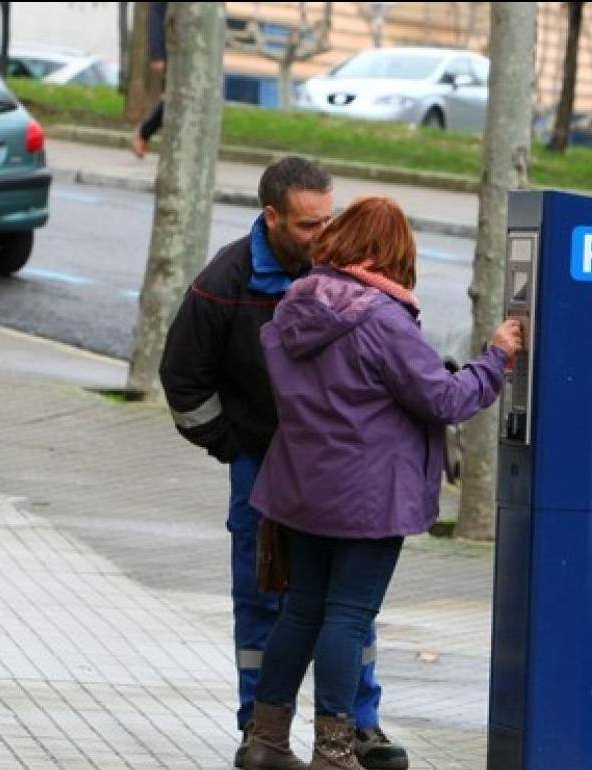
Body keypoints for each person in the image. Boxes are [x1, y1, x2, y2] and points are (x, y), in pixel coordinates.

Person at [242, 197, 524, 770]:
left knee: (301, 612)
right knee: (347, 617)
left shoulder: (294, 305)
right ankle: (335, 751)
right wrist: (494, 358)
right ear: (385, 254)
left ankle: (265, 742)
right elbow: (444, 399)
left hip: (301, 488)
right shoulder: (382, 320)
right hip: (365, 499)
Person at [158, 159, 410, 770]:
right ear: (271, 217)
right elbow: (183, 381)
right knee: (267, 599)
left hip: (335, 473)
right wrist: (236, 446)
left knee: (346, 606)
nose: (322, 236)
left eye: (329, 220)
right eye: (306, 225)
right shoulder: (227, 281)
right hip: (265, 469)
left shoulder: (340, 271)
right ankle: (260, 731)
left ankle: (358, 728)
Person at [132, 1, 169, 158]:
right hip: (175, 49)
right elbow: (156, 15)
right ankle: (144, 133)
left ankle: (144, 133)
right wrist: (157, 53)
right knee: (172, 99)